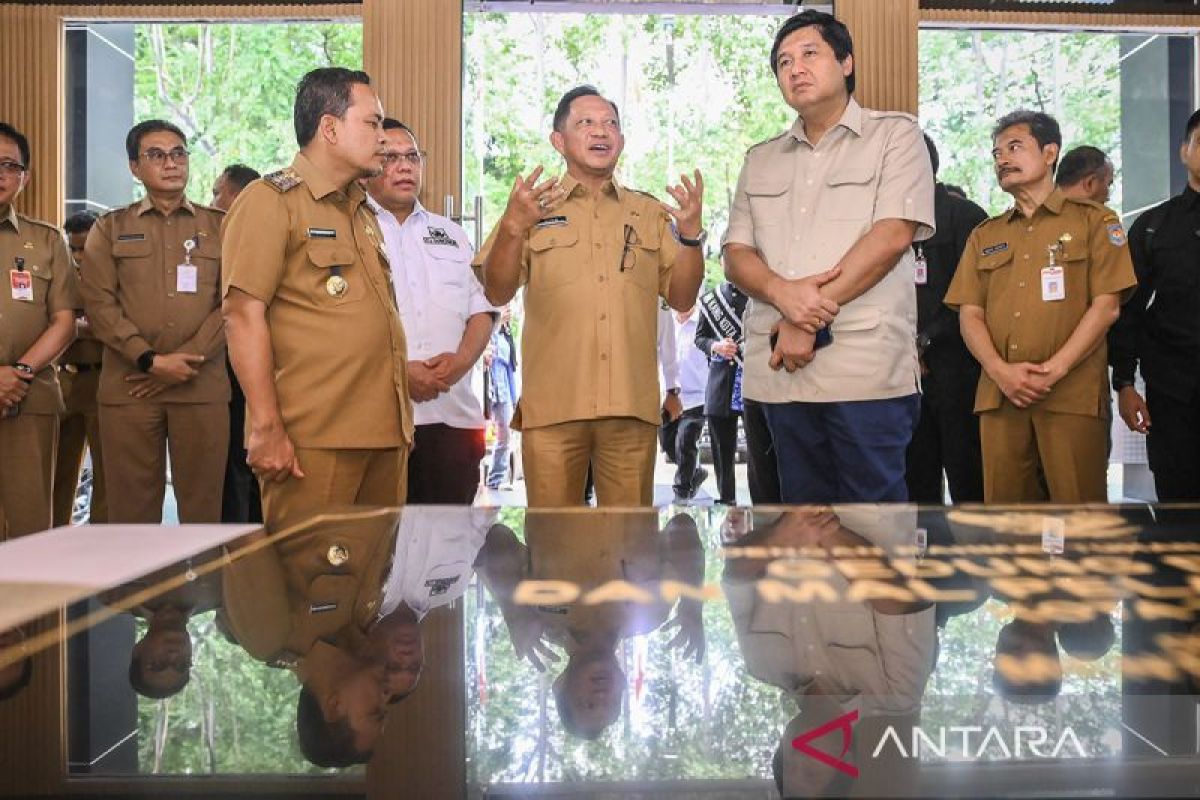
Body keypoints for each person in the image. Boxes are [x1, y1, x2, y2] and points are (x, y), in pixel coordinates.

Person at [722, 10, 936, 504]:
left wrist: (805, 317)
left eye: (809, 54)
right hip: (781, 377)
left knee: (873, 531)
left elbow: (892, 236)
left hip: (864, 375)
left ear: (846, 61)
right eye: (783, 62)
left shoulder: (896, 137)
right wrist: (784, 297)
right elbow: (736, 255)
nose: (794, 68)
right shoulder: (761, 158)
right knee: (802, 537)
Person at [474, 84, 705, 507]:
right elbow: (496, 288)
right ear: (558, 141)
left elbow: (683, 296)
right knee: (554, 546)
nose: (601, 131)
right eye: (586, 123)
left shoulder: (649, 212)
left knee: (628, 549)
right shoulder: (530, 208)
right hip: (553, 409)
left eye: (610, 123)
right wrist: (511, 227)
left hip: (629, 410)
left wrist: (691, 237)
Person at [221, 67, 413, 529]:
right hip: (312, 441)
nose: (384, 140)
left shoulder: (362, 211)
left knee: (370, 587)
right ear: (329, 127)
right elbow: (242, 316)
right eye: (372, 124)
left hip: (384, 436)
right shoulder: (271, 201)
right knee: (313, 586)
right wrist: (266, 427)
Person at [945, 110, 1136, 503]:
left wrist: (1054, 370)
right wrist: (1001, 372)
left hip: (1072, 394)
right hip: (1001, 396)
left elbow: (1106, 307)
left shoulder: (1096, 222)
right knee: (1008, 525)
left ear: (1050, 153)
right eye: (997, 152)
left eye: (1015, 147)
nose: (1002, 159)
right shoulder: (986, 235)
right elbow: (969, 314)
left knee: (1078, 520)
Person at [81, 119, 228, 525]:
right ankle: (140, 590)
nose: (171, 163)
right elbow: (99, 305)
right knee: (131, 514)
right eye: (156, 155)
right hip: (131, 388)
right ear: (134, 167)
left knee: (203, 512)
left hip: (201, 386)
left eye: (178, 153)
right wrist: (149, 361)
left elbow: (234, 302)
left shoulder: (220, 226)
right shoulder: (110, 228)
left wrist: (184, 360)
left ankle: (202, 591)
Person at [365, 118, 497, 504]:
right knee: (383, 552)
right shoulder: (353, 230)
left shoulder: (451, 233)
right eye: (390, 157)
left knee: (447, 553)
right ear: (368, 167)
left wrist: (460, 363)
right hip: (380, 422)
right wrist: (398, 373)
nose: (405, 167)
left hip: (452, 420)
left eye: (412, 156)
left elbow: (482, 309)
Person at [1109, 109, 1200, 501]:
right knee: (1177, 503)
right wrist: (1125, 385)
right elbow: (1128, 311)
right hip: (1174, 391)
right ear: (1185, 151)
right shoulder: (1153, 226)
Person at [0, 121, 79, 539]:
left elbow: (64, 322)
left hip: (28, 400)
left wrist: (19, 373)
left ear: (24, 177)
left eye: (9, 165)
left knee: (32, 534)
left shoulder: (47, 240)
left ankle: (34, 610)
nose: (0, 173)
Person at [904, 135, 988, 504]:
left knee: (968, 481)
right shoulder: (888, 224)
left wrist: (923, 342)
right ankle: (921, 561)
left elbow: (977, 298)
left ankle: (972, 560)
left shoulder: (966, 218)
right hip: (902, 376)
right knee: (916, 485)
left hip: (959, 371)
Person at [210, 163, 262, 525]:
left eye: (217, 192)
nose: (212, 201)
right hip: (225, 368)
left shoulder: (255, 238)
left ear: (237, 195)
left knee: (242, 467)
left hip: (244, 366)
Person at [53, 210, 107, 526]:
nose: (78, 255)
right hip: (64, 380)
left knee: (107, 476)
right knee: (59, 472)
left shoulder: (115, 276)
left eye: (84, 247)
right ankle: (55, 540)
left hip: (102, 379)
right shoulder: (61, 275)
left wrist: (71, 324)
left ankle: (103, 548)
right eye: (72, 248)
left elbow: (113, 327)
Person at [695, 281, 748, 505]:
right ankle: (727, 500)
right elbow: (700, 338)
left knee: (759, 450)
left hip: (752, 379)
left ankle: (763, 503)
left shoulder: (757, 292)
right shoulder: (712, 299)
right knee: (721, 448)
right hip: (720, 383)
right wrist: (716, 346)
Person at [662, 303, 708, 502]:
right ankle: (695, 472)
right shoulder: (666, 320)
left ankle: (681, 494)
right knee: (668, 445)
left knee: (685, 442)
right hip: (670, 396)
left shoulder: (703, 321)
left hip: (696, 396)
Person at [484, 305, 518, 490]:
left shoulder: (507, 334)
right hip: (486, 389)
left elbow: (511, 368)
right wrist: (496, 324)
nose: (507, 310)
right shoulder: (487, 326)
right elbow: (483, 348)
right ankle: (474, 481)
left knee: (505, 435)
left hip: (503, 390)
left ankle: (495, 480)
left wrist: (515, 398)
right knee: (475, 435)